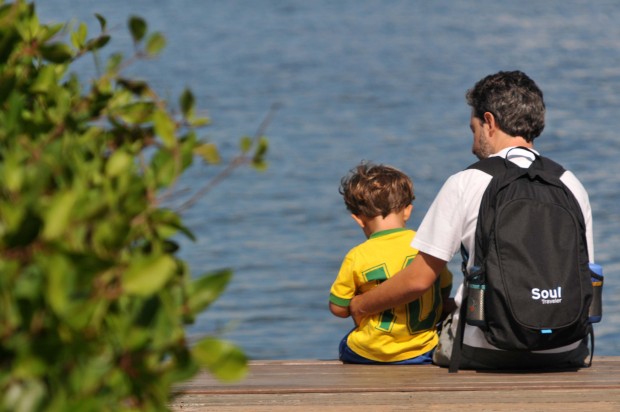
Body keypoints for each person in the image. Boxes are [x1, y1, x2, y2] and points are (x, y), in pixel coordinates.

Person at [349, 70, 594, 370]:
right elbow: (585, 271)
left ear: (489, 122)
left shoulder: (466, 182)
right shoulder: (570, 183)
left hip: (488, 350)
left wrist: (360, 306)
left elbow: (418, 280)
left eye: (473, 128)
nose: (473, 144)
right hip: (566, 347)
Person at [329, 162, 453, 364]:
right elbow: (443, 289)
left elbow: (338, 309)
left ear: (358, 219)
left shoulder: (357, 255)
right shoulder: (427, 249)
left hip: (371, 352)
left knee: (347, 343)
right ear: (407, 211)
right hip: (422, 350)